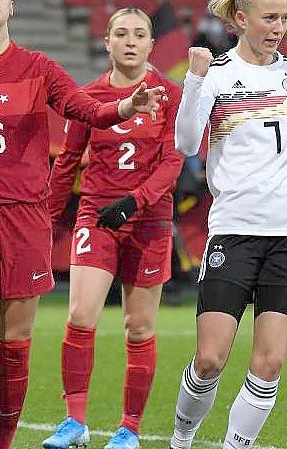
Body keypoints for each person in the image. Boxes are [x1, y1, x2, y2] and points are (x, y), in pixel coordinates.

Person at [0, 1, 165, 448]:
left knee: (15, 343)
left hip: (25, 219)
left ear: (13, 6)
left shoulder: (39, 67)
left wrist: (125, 106)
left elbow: (86, 110)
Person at [169, 0, 287, 447]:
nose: (278, 27)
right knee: (209, 359)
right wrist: (194, 79)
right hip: (234, 230)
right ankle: (182, 437)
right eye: (269, 18)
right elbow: (186, 142)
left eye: (284, 18)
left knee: (269, 363)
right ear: (241, 19)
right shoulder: (218, 73)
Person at [42, 8, 183, 449]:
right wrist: (45, 224)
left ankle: (129, 430)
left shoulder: (170, 94)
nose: (130, 41)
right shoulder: (88, 98)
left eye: (139, 34)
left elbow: (173, 161)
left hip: (149, 219)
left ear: (150, 44)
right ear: (106, 42)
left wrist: (135, 201)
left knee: (138, 327)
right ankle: (75, 422)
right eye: (120, 33)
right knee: (81, 315)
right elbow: (67, 162)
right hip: (97, 215)